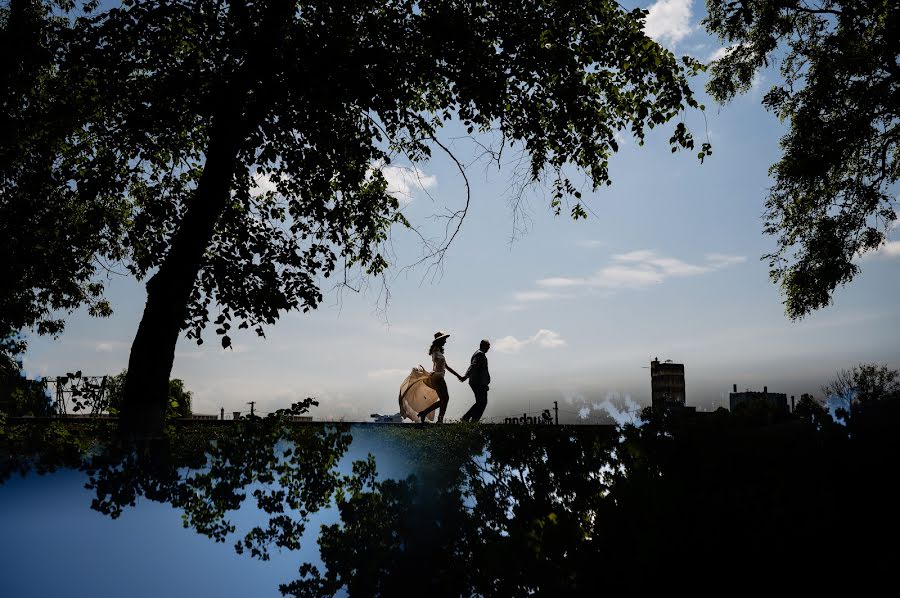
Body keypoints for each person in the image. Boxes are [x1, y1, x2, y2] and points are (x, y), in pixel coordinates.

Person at [417, 331, 462, 423]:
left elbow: (446, 366)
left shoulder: (438, 351)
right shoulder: (435, 350)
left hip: (438, 377)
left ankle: (427, 414)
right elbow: (435, 360)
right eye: (444, 339)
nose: (445, 341)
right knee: (445, 399)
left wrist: (458, 376)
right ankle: (437, 419)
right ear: (440, 340)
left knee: (444, 399)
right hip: (438, 378)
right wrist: (434, 368)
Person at [459, 339, 491, 422]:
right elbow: (473, 366)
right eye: (488, 346)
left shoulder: (479, 353)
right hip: (478, 382)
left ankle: (470, 419)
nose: (489, 348)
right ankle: (470, 419)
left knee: (481, 402)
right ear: (483, 345)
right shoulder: (480, 354)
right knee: (482, 402)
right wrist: (465, 376)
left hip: (479, 382)